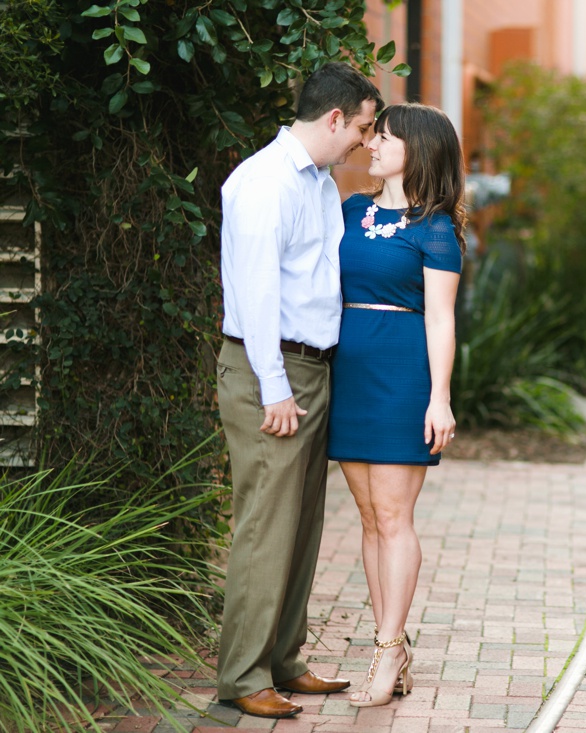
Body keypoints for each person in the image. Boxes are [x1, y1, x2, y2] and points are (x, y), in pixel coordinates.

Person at [215, 62, 384, 720]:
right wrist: (275, 389)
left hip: (315, 367)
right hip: (271, 370)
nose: (366, 143)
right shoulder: (262, 184)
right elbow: (257, 296)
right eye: (364, 129)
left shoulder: (320, 181)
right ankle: (243, 673)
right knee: (265, 527)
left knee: (303, 524)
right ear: (334, 118)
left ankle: (283, 656)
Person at [327, 103, 466, 707]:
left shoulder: (434, 228)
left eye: (385, 137)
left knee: (394, 518)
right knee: (367, 518)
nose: (373, 145)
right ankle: (396, 644)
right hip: (348, 371)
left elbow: (441, 318)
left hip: (401, 373)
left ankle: (385, 650)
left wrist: (440, 398)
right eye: (373, 135)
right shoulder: (350, 211)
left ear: (419, 148)